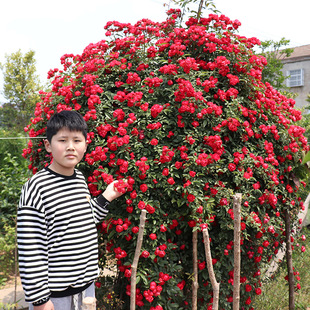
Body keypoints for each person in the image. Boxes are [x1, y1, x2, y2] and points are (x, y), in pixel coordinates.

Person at [17, 110, 123, 310]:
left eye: (77, 140)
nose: (71, 147)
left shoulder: (79, 179)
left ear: (86, 144)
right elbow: (30, 248)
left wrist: (107, 196)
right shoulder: (36, 187)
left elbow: (85, 218)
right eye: (63, 140)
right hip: (54, 297)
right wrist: (40, 301)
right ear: (48, 145)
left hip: (86, 291)